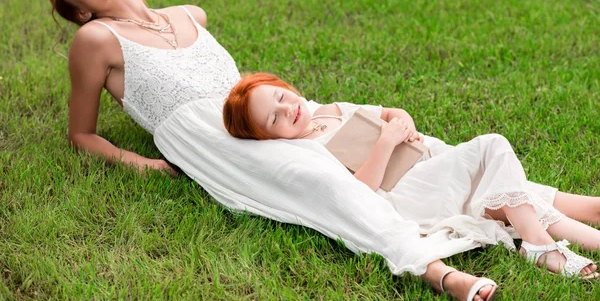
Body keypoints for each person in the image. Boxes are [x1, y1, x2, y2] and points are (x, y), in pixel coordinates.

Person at [44, 0, 597, 301]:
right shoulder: (96, 39)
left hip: (264, 112)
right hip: (210, 140)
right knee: (320, 181)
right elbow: (82, 134)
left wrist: (296, 111)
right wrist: (145, 165)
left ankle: (573, 212)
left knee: (419, 148)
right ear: (80, 10)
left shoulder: (191, 15)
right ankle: (434, 269)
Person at [223, 72, 600, 282]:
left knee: (519, 199)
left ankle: (552, 244)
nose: (288, 110)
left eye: (281, 98)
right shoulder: (306, 151)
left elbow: (392, 113)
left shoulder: (331, 110)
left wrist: (405, 126)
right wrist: (387, 142)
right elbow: (360, 190)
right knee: (493, 146)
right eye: (274, 118)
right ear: (268, 137)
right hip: (408, 192)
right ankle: (539, 245)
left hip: (430, 165)